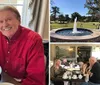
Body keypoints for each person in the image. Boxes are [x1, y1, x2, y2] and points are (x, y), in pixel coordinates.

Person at [0, 6, 45, 85]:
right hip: (4, 77)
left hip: (22, 82)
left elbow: (36, 80)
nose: (5, 24)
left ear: (19, 20)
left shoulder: (34, 39)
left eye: (9, 19)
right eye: (0, 21)